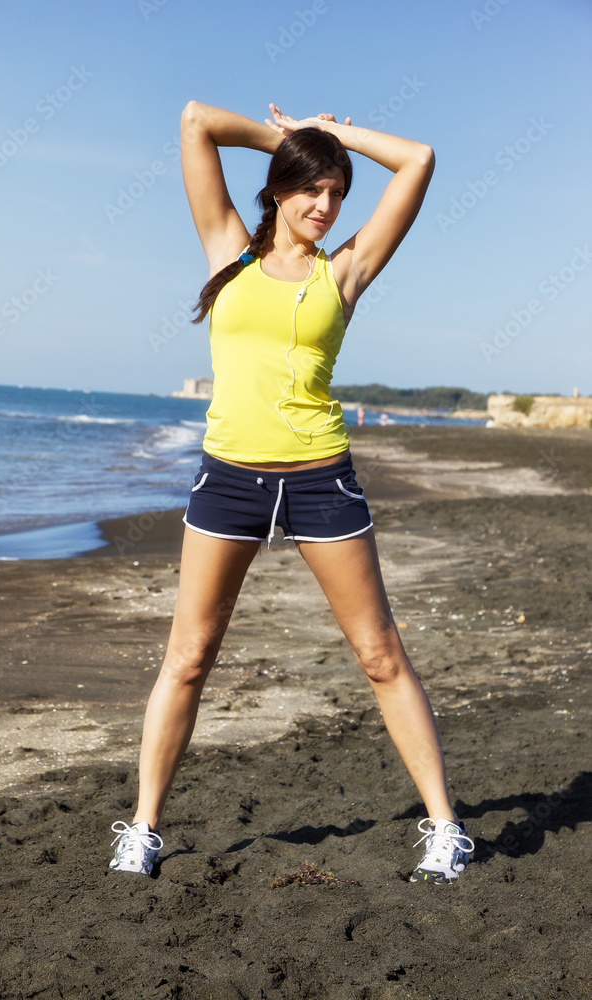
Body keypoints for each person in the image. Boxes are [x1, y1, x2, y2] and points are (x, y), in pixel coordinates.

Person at [109, 100, 474, 885]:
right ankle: (142, 828)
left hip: (320, 480)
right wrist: (293, 141)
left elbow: (418, 157)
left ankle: (444, 827)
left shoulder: (343, 270)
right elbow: (194, 121)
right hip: (227, 479)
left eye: (338, 192)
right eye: (312, 188)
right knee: (189, 657)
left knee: (379, 656)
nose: (326, 205)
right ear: (278, 190)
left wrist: (333, 137)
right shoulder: (226, 252)